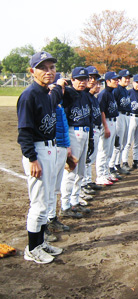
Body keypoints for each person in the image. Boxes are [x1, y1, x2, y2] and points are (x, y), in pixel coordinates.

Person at [17, 51, 63, 264]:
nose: (48, 71)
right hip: (37, 151)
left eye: (51, 67)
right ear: (32, 71)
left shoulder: (47, 93)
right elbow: (24, 132)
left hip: (50, 148)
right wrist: (32, 158)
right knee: (38, 203)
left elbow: (58, 95)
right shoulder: (29, 95)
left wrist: (61, 86)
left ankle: (41, 242)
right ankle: (32, 248)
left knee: (47, 199)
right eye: (43, 67)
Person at [60, 67, 93, 218]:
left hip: (85, 133)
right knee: (71, 171)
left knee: (81, 171)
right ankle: (65, 205)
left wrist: (91, 138)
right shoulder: (68, 94)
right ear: (71, 80)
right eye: (78, 79)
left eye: (84, 79)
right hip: (73, 133)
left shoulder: (85, 96)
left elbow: (90, 117)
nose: (82, 82)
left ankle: (75, 201)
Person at [46, 73, 73, 240]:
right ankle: (47, 220)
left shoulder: (60, 104)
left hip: (62, 147)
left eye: (63, 87)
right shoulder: (48, 104)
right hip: (52, 148)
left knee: (55, 187)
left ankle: (52, 217)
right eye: (59, 87)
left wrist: (67, 146)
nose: (62, 90)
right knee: (48, 188)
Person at [96, 71, 120, 185]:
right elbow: (101, 111)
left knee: (109, 151)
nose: (117, 81)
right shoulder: (104, 94)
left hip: (113, 122)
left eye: (117, 79)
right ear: (107, 81)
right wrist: (106, 127)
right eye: (114, 79)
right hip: (107, 123)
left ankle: (106, 173)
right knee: (104, 151)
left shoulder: (111, 93)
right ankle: (100, 175)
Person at [82, 66, 104, 192]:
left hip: (94, 129)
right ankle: (84, 183)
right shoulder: (83, 95)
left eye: (95, 78)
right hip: (86, 131)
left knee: (90, 158)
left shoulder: (93, 97)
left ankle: (88, 181)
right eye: (90, 77)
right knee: (86, 159)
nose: (93, 81)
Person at [109, 69, 133, 175]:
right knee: (117, 143)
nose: (127, 80)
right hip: (119, 116)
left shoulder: (125, 90)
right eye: (125, 78)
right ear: (120, 79)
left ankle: (117, 164)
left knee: (123, 142)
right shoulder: (117, 90)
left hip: (127, 116)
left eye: (128, 78)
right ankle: (111, 166)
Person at [122, 74, 138, 170]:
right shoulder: (129, 93)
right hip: (131, 118)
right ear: (133, 83)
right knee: (128, 142)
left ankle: (135, 161)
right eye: (137, 82)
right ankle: (124, 162)